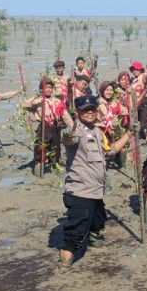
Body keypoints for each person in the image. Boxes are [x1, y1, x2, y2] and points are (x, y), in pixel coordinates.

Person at [57, 95, 134, 269]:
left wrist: (129, 134)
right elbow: (68, 139)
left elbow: (110, 151)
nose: (90, 112)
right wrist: (67, 133)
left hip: (97, 192)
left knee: (98, 225)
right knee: (75, 234)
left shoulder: (98, 132)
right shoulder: (76, 131)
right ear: (78, 112)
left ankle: (96, 257)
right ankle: (64, 268)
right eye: (86, 110)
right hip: (81, 192)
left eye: (92, 109)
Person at [21, 77, 72, 175]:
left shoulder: (57, 101)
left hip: (56, 127)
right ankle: (38, 170)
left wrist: (71, 126)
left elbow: (65, 115)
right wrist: (35, 96)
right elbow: (24, 105)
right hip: (44, 127)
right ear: (42, 89)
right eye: (46, 88)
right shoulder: (38, 101)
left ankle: (54, 170)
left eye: (50, 88)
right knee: (40, 149)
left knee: (55, 149)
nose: (48, 90)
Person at [97, 80, 128, 167]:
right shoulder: (98, 103)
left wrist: (125, 102)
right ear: (102, 90)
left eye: (111, 90)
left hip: (116, 131)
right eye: (107, 90)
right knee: (106, 153)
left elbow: (125, 112)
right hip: (103, 132)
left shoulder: (115, 103)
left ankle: (122, 166)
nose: (109, 92)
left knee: (123, 148)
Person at [129, 62, 147, 137]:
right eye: (133, 70)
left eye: (136, 69)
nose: (134, 71)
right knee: (137, 121)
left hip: (144, 102)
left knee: (144, 124)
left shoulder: (143, 76)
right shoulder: (133, 80)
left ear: (140, 70)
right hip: (136, 102)